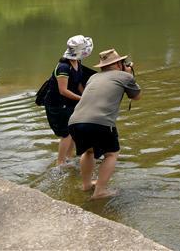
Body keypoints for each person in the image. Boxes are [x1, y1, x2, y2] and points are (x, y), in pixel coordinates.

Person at [68, 49, 141, 200]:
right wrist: (129, 74)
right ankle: (100, 192)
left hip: (75, 121)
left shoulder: (93, 77)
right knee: (111, 154)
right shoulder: (124, 76)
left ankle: (86, 186)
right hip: (100, 122)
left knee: (88, 152)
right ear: (118, 64)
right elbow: (136, 96)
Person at [43, 35, 94, 166]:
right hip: (58, 105)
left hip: (69, 103)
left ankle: (69, 158)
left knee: (73, 131)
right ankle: (60, 163)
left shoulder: (77, 62)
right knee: (66, 134)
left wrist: (86, 96)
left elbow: (78, 83)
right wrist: (82, 99)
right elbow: (63, 90)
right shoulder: (63, 67)